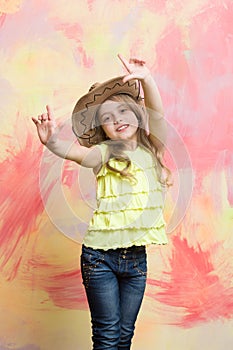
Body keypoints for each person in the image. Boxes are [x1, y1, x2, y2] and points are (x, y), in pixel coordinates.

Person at [32, 54, 171, 350]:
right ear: (102, 131)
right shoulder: (104, 153)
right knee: (107, 336)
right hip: (100, 259)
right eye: (107, 119)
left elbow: (157, 116)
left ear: (136, 112)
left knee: (124, 336)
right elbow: (74, 153)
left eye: (122, 111)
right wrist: (52, 141)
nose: (117, 120)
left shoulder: (153, 147)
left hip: (136, 260)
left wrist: (147, 79)